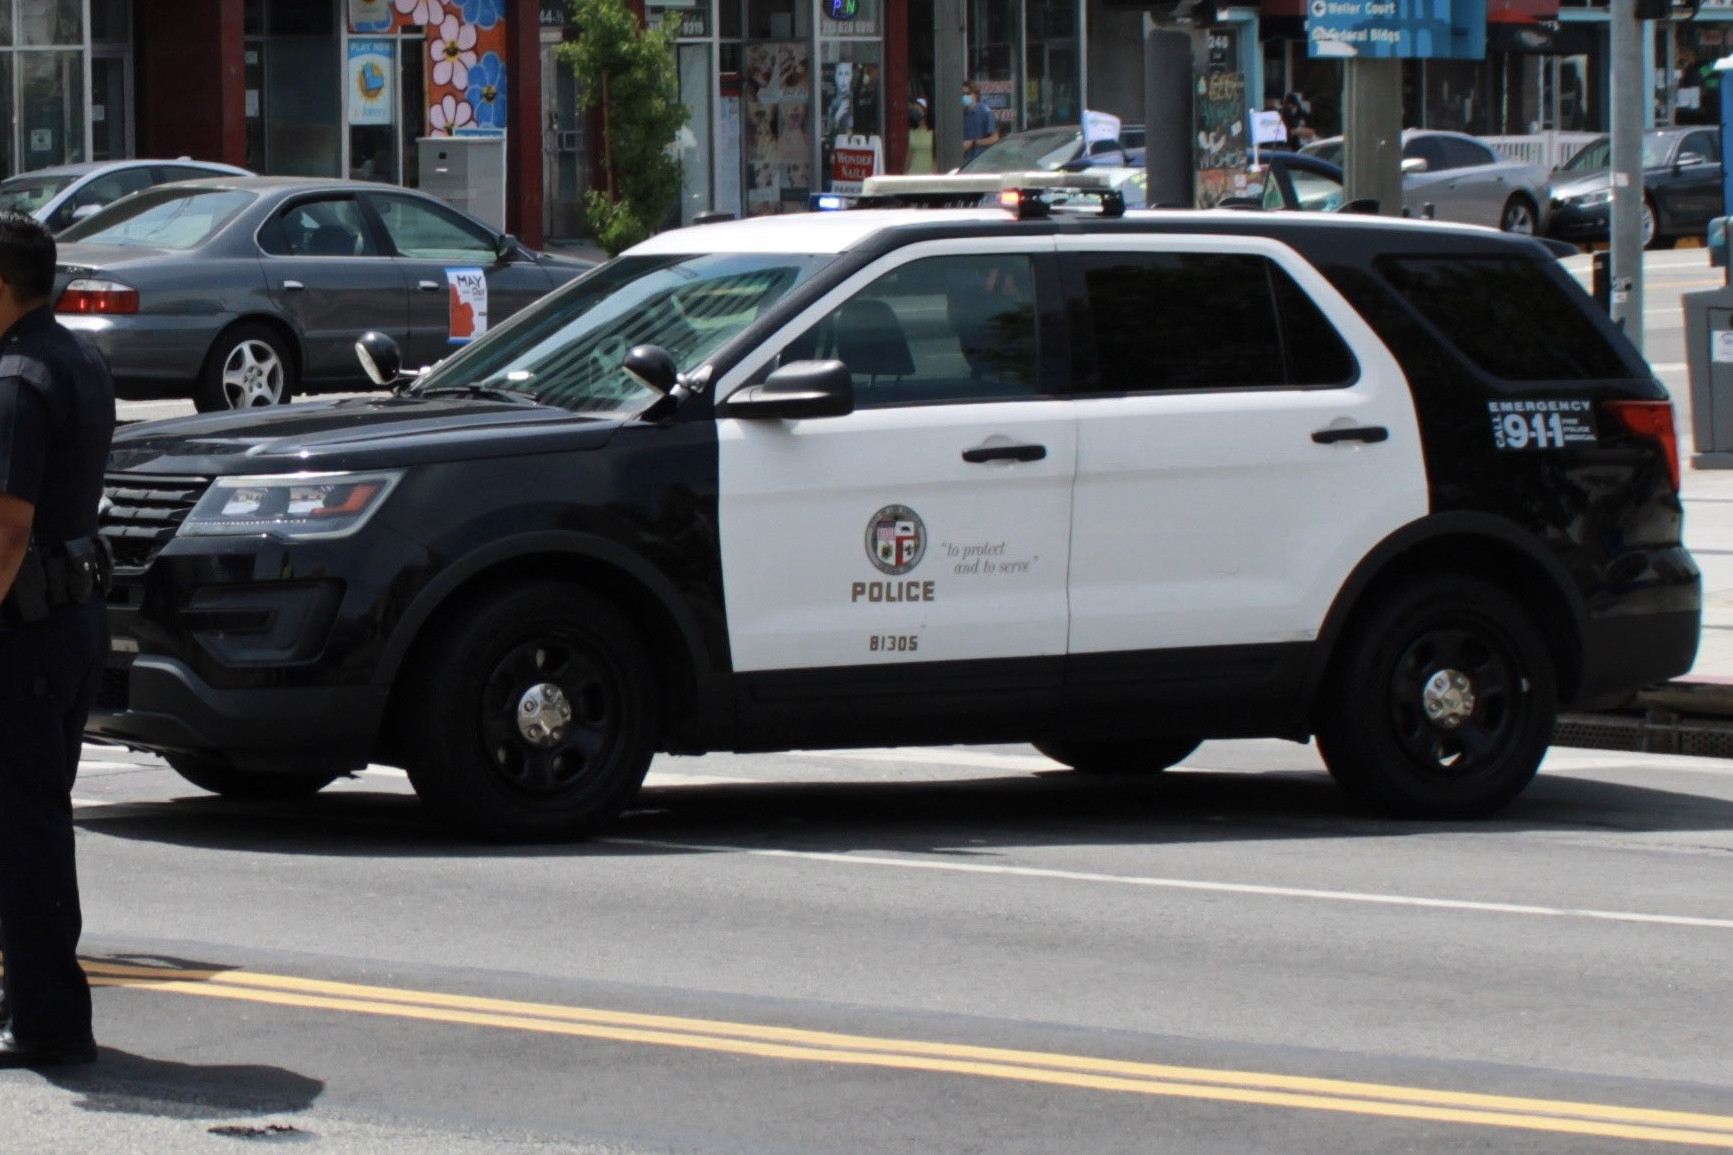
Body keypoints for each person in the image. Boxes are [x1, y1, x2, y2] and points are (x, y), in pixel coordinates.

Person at [0, 209, 114, 1069]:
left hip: (23, 632)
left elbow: (7, 530)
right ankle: (30, 1004)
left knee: (25, 828)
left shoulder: (18, 377)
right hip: (67, 620)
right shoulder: (75, 355)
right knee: (30, 818)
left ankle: (47, 1022)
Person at [962, 81, 1000, 164]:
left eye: (967, 93)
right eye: (963, 94)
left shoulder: (985, 112)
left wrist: (974, 142)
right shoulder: (963, 113)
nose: (965, 96)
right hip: (965, 162)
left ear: (975, 94)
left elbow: (994, 139)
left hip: (981, 161)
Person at [905, 97, 936, 174]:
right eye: (914, 110)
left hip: (928, 174)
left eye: (918, 109)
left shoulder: (933, 133)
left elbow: (935, 157)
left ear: (925, 111)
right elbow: (909, 155)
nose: (915, 112)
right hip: (913, 173)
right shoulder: (912, 132)